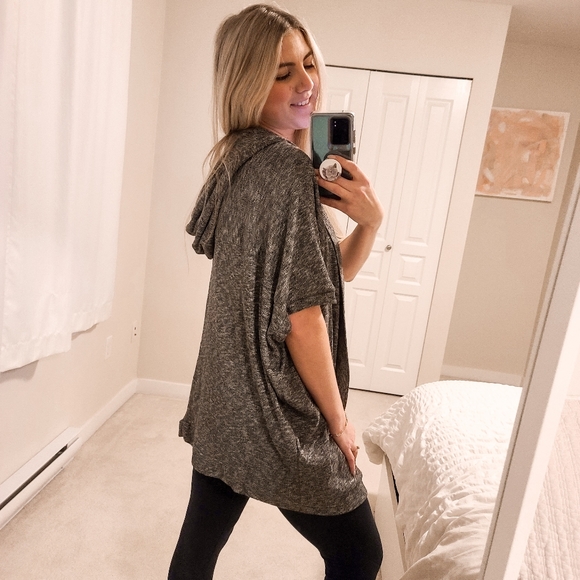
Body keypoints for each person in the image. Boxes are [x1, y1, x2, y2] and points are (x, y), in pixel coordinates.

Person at [168, 4, 384, 579]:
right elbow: (302, 317)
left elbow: (330, 275)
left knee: (199, 545)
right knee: (360, 552)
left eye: (308, 64)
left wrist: (367, 223)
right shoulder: (286, 173)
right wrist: (338, 421)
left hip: (225, 394)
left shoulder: (235, 160)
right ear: (245, 82)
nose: (306, 83)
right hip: (270, 403)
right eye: (282, 72)